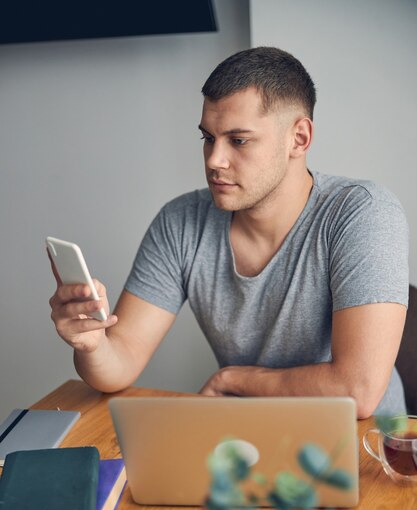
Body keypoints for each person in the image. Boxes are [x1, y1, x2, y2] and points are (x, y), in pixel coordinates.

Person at [49, 46, 409, 419]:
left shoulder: (363, 212)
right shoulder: (181, 222)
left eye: (238, 141)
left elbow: (358, 391)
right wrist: (91, 344)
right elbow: (119, 364)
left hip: (369, 448)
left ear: (299, 138)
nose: (214, 160)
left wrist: (233, 380)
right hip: (247, 433)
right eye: (208, 138)